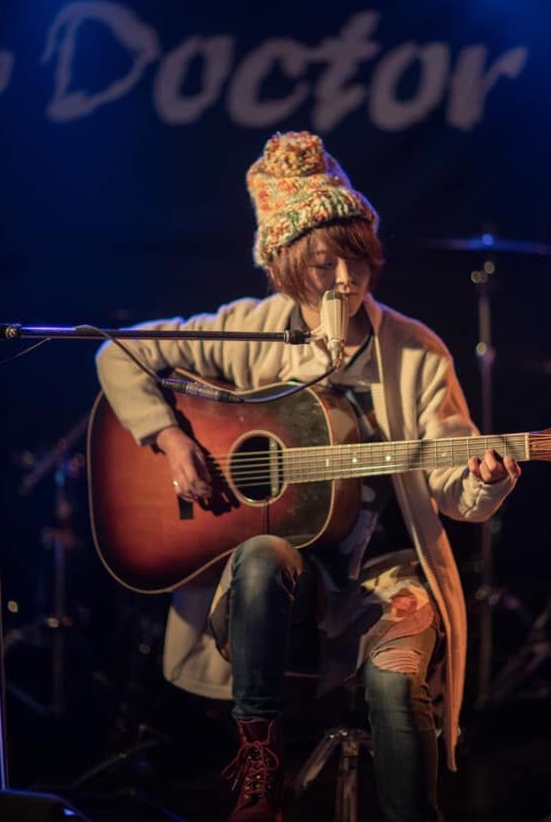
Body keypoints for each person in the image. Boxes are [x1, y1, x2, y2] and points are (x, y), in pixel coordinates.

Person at [95, 130, 521, 822]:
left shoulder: (415, 350)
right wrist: (170, 439)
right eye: (324, 265)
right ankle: (259, 769)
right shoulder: (250, 329)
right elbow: (117, 354)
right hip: (284, 577)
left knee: (397, 685)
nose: (345, 280)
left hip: (385, 570)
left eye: (358, 260)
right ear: (286, 268)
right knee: (262, 555)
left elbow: (454, 487)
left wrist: (485, 479)